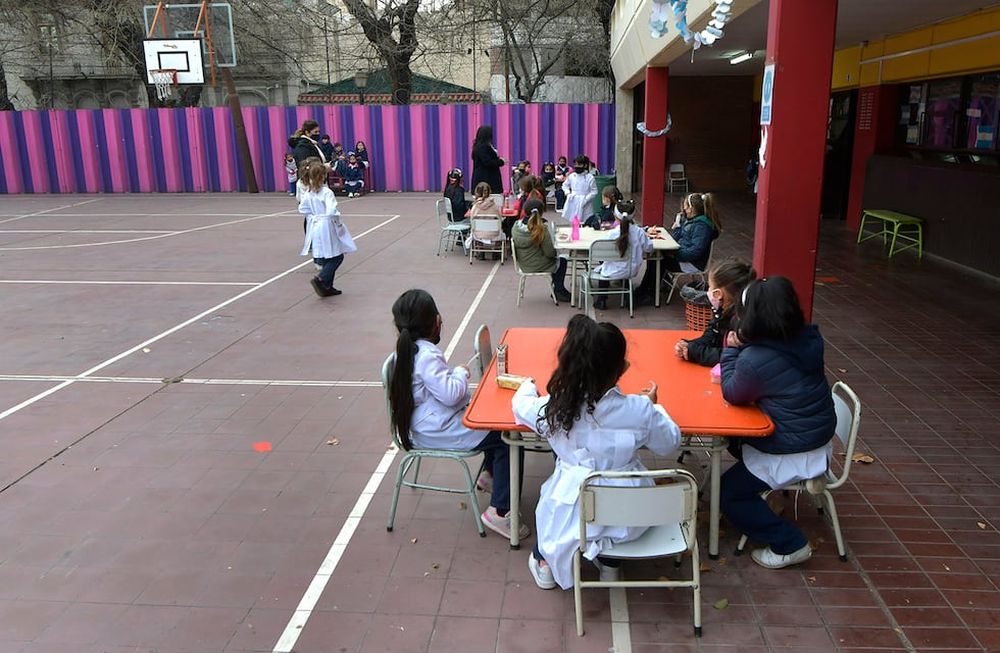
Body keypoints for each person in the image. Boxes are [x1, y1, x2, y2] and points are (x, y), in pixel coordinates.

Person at [511, 314, 682, 590]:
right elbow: (670, 443)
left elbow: (520, 406)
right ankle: (611, 563)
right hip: (631, 515)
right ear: (622, 368)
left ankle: (546, 567)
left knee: (553, 520)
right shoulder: (640, 410)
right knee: (613, 523)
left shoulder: (556, 408)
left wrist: (526, 386)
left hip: (574, 510)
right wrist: (653, 407)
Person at [388, 289, 527, 540]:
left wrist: (451, 375)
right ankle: (500, 511)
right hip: (434, 429)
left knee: (493, 429)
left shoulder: (409, 351)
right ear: (435, 323)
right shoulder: (427, 355)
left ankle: (491, 477)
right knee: (509, 438)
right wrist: (461, 373)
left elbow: (435, 388)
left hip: (427, 421)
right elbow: (451, 395)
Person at [720, 276, 836, 569]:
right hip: (816, 436)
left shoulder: (756, 357)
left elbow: (733, 392)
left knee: (728, 492)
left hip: (792, 446)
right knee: (736, 442)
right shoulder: (807, 338)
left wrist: (732, 349)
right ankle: (785, 485)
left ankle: (789, 543)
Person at [675, 258, 756, 367]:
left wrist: (695, 352)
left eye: (709, 286)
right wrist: (689, 345)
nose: (708, 291)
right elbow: (711, 334)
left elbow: (731, 355)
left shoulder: (741, 322)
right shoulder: (722, 310)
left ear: (718, 294)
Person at [299, 160, 356, 297]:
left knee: (325, 256)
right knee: (337, 256)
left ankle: (327, 286)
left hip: (316, 225)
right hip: (327, 225)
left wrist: (313, 215)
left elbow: (302, 209)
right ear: (323, 176)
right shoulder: (326, 192)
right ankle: (322, 279)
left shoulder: (308, 193)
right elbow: (331, 211)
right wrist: (336, 219)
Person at [590, 200, 652, 311]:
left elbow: (602, 254)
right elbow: (649, 248)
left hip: (612, 271)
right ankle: (628, 299)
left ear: (615, 215)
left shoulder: (611, 234)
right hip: (631, 270)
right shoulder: (639, 232)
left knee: (605, 266)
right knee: (614, 267)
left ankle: (601, 299)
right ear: (633, 215)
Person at [510, 199, 572, 302]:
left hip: (523, 264)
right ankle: (558, 290)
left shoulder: (516, 227)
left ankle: (557, 288)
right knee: (562, 261)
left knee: (556, 259)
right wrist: (557, 251)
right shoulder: (541, 229)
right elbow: (550, 253)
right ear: (542, 212)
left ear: (525, 211)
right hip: (537, 264)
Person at [669, 192, 722, 272]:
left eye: (685, 207)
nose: (684, 210)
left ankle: (653, 283)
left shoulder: (702, 227)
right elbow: (675, 239)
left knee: (659, 261)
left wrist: (676, 254)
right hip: (684, 258)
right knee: (658, 257)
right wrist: (677, 227)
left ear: (691, 209)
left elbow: (695, 251)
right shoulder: (689, 221)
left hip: (693, 264)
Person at [561, 155, 597, 225]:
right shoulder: (572, 176)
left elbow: (594, 191)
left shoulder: (590, 177)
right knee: (575, 223)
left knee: (586, 222)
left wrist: (586, 199)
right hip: (574, 201)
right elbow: (565, 185)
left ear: (585, 165)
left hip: (586, 203)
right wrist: (568, 193)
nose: (577, 166)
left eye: (579, 164)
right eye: (575, 164)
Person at [471, 125, 505, 195]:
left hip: (484, 177)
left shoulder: (478, 146)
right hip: (486, 178)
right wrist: (501, 162)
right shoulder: (482, 147)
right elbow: (488, 162)